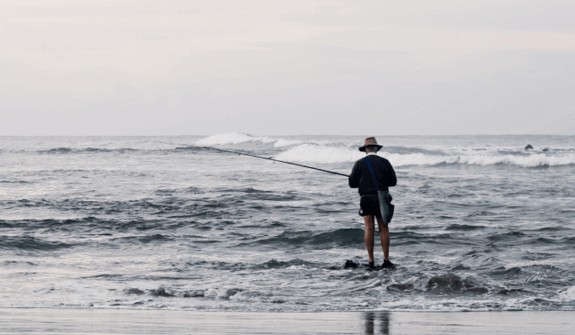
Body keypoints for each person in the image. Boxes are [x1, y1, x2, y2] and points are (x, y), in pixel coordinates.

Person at [349, 137, 397, 270]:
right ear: (376, 149)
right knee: (384, 228)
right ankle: (386, 260)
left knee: (369, 228)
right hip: (382, 198)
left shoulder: (359, 163)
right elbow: (393, 182)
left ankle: (370, 260)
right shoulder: (385, 162)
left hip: (366, 198)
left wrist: (361, 181)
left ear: (365, 150)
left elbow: (352, 184)